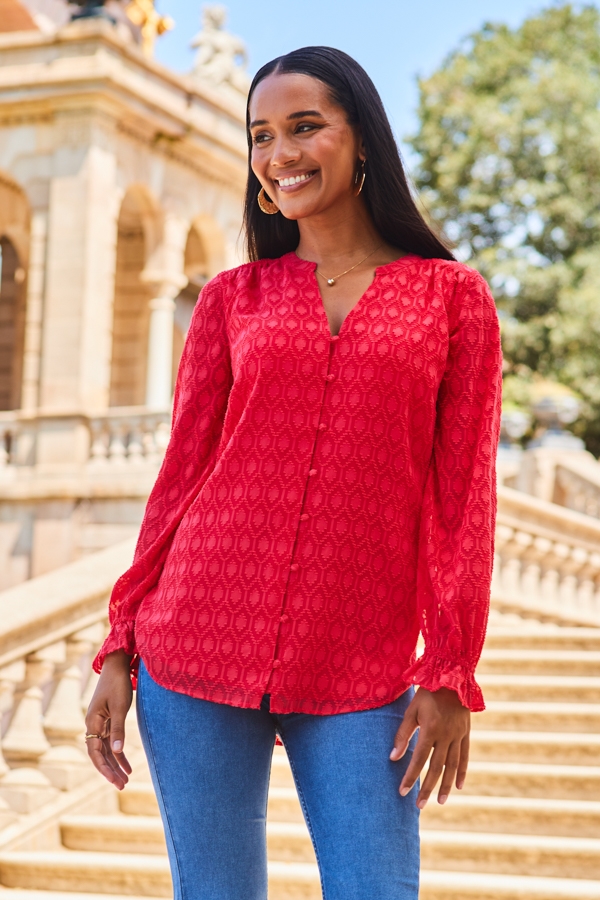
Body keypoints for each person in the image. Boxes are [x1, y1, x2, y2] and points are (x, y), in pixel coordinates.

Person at [85, 46, 502, 900]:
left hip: (360, 661)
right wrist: (123, 639)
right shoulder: (233, 299)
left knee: (376, 889)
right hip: (195, 640)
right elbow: (181, 477)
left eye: (305, 127)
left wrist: (451, 668)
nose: (280, 154)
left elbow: (464, 500)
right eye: (261, 135)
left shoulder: (451, 298)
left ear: (362, 142)